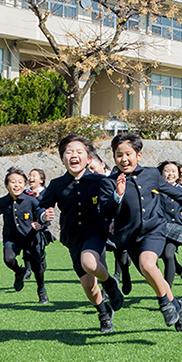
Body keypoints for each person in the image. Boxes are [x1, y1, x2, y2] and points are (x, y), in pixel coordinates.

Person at [99, 132, 182, 332]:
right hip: (129, 237)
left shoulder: (152, 174)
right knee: (151, 274)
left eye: (128, 154)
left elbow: (175, 192)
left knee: (148, 265)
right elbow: (106, 211)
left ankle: (164, 304)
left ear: (139, 155)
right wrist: (117, 195)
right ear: (114, 158)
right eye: (119, 155)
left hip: (154, 230)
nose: (124, 159)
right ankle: (177, 305)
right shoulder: (109, 182)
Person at [39, 134, 124, 333]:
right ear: (62, 159)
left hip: (96, 233)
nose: (74, 156)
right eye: (69, 152)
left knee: (90, 262)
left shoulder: (99, 181)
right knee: (88, 286)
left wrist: (117, 196)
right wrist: (43, 214)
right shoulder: (57, 184)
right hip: (73, 238)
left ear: (88, 159)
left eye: (79, 152)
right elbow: (42, 205)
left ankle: (110, 283)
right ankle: (103, 312)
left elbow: (110, 206)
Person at [0, 167, 48, 304]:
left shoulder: (31, 200)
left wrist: (42, 222)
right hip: (12, 238)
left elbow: (41, 212)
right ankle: (19, 271)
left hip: (31, 238)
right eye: (13, 182)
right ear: (6, 185)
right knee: (8, 259)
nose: (17, 185)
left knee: (37, 268)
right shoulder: (2, 202)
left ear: (25, 185)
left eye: (20, 182)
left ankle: (41, 289)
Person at [87, 152, 132, 295]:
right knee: (100, 255)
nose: (91, 172)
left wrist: (114, 220)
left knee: (121, 253)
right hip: (99, 223)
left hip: (118, 221)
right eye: (88, 169)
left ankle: (123, 273)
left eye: (93, 168)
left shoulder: (116, 177)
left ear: (102, 164)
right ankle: (107, 286)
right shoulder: (89, 182)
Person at [157, 160, 182, 288]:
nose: (170, 174)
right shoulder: (155, 189)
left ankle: (167, 289)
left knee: (168, 254)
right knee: (161, 255)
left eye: (173, 171)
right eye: (166, 171)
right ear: (161, 173)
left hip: (177, 227)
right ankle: (175, 264)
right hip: (158, 227)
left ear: (178, 175)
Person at [22, 168, 49, 280]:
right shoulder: (26, 192)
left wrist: (38, 197)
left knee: (39, 247)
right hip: (27, 225)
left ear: (41, 180)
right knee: (26, 247)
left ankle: (42, 259)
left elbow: (47, 205)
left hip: (41, 225)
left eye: (34, 176)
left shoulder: (45, 192)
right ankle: (27, 270)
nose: (30, 178)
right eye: (30, 175)